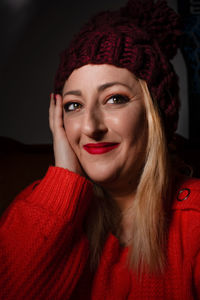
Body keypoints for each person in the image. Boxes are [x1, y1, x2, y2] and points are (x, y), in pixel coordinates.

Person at [0, 0, 200, 299]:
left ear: (155, 115)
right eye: (74, 105)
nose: (91, 126)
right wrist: (65, 179)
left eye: (114, 99)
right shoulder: (34, 208)